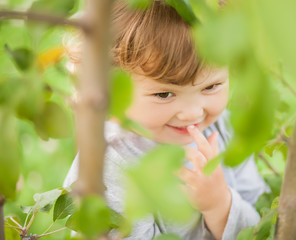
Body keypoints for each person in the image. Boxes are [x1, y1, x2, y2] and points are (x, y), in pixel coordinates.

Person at [64, 1, 268, 239]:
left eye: (211, 86)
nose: (193, 114)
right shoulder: (109, 166)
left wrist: (220, 205)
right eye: (164, 94)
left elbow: (265, 224)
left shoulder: (224, 128)